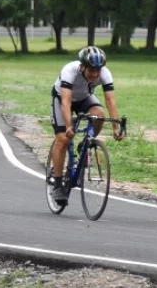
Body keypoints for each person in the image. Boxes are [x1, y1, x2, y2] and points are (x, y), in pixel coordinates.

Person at [49, 46, 125, 205]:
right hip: (62, 99)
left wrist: (115, 127)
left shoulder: (104, 73)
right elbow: (66, 102)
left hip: (84, 98)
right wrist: (69, 126)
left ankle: (85, 144)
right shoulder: (70, 71)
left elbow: (110, 100)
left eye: (98, 70)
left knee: (100, 115)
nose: (96, 74)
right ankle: (57, 184)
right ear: (82, 66)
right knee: (63, 139)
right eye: (91, 70)